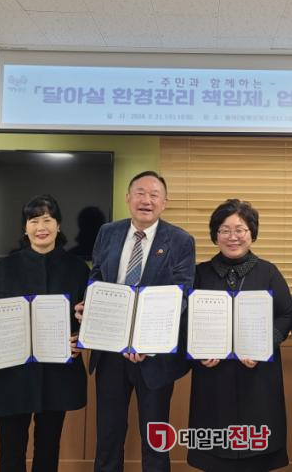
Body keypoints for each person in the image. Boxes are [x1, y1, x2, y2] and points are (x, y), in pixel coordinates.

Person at [75, 170, 195, 472]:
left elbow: (180, 296)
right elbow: (97, 276)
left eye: (154, 195)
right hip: (110, 350)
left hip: (154, 357)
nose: (147, 200)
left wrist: (146, 341)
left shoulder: (180, 240)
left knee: (155, 440)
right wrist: (89, 305)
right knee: (108, 435)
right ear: (128, 197)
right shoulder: (108, 232)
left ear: (164, 203)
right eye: (140, 193)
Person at [0, 194, 88, 472]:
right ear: (25, 228)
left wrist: (80, 339)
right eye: (33, 221)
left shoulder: (77, 268)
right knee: (11, 449)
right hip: (12, 373)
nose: (41, 227)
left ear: (59, 225)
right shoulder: (6, 267)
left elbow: (88, 317)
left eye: (47, 220)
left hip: (57, 372)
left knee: (48, 447)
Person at [186, 199, 292, 472]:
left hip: (257, 375)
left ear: (251, 233)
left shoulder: (268, 272)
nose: (232, 237)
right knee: (214, 447)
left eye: (240, 229)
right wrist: (198, 351)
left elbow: (287, 314)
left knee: (257, 448)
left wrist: (266, 344)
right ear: (215, 235)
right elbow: (185, 318)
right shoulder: (200, 273)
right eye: (224, 230)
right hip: (213, 376)